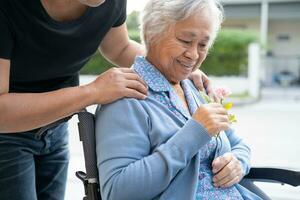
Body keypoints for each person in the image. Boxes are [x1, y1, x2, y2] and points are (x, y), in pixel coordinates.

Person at [0, 0, 213, 199]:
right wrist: (92, 92)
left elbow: (120, 48)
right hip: (7, 134)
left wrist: (172, 67)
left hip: (55, 128)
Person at [95, 0, 262, 199]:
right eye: (185, 40)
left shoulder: (193, 87)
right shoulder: (126, 98)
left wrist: (238, 161)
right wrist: (194, 133)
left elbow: (236, 142)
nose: (193, 54)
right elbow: (118, 192)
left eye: (203, 44)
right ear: (151, 34)